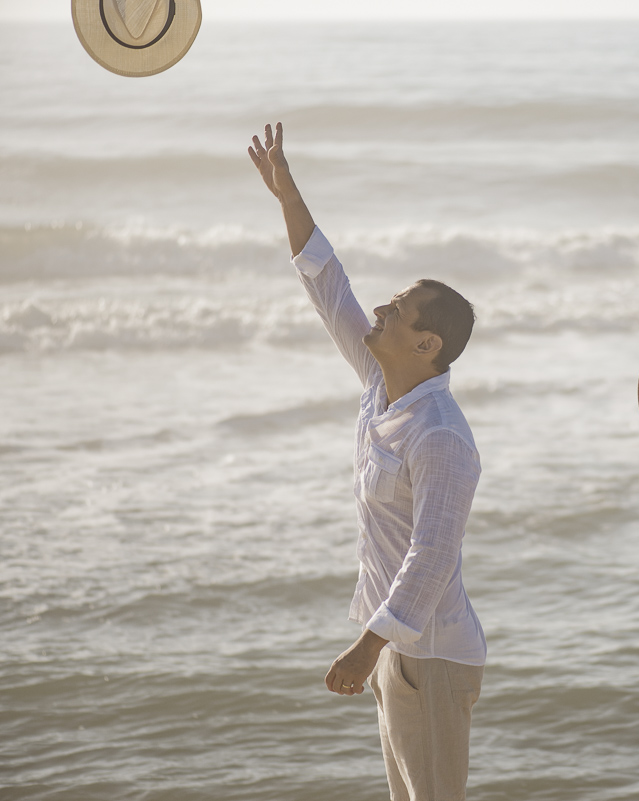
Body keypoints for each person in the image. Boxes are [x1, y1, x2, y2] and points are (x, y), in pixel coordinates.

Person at [248, 122, 486, 801]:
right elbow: (329, 288)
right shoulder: (384, 383)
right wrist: (287, 194)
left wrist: (368, 646)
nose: (381, 308)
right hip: (395, 648)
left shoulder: (441, 436)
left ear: (426, 342)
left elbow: (432, 555)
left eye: (400, 309)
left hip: (430, 654)